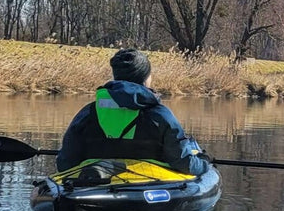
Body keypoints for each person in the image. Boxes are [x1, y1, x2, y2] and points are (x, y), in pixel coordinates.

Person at [56, 48, 211, 176]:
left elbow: (65, 163)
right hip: (149, 184)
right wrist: (204, 163)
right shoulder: (160, 115)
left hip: (95, 181)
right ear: (145, 78)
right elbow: (183, 163)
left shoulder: (88, 113)